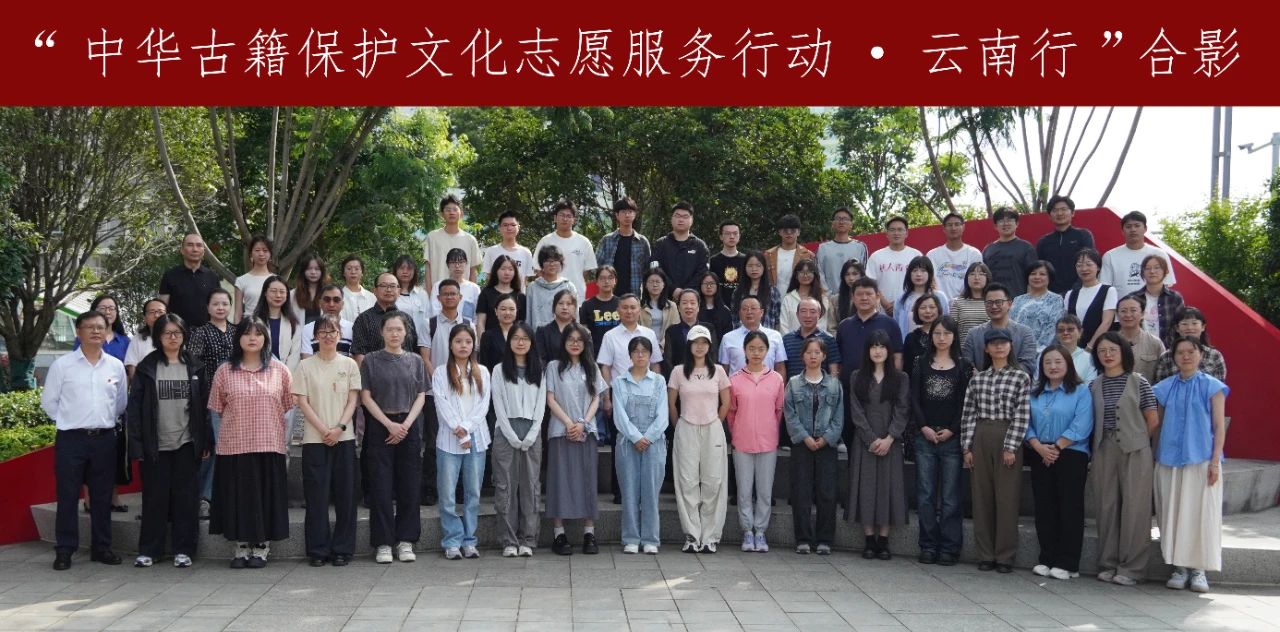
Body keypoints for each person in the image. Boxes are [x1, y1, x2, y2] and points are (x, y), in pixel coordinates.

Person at [42, 311, 128, 571]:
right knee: (68, 495)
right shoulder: (62, 365)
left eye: (100, 327)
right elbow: (49, 403)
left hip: (104, 439)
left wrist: (101, 421)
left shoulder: (115, 366)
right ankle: (65, 550)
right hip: (71, 439)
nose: (95, 331)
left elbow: (120, 403)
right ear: (78, 332)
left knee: (102, 497)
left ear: (107, 331)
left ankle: (102, 548)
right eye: (89, 327)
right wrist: (70, 421)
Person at [207, 318, 294, 569]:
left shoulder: (280, 370)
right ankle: (241, 546)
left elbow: (289, 407)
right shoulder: (225, 371)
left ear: (266, 338)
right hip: (235, 445)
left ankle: (262, 546)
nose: (252, 338)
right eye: (246, 333)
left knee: (265, 497)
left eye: (258, 333)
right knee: (238, 498)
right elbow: (217, 408)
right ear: (239, 339)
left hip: (269, 443)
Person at [126, 313, 209, 569]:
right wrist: (136, 444)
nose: (173, 338)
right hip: (155, 445)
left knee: (186, 499)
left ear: (184, 335)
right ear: (158, 337)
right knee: (154, 499)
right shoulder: (147, 367)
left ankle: (184, 550)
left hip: (187, 444)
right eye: (167, 333)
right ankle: (150, 550)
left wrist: (205, 441)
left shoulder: (195, 366)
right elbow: (135, 409)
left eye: (177, 333)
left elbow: (204, 408)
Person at [1153, 336, 1229, 593]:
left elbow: (1219, 427)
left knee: (1201, 514)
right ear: (1173, 357)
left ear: (1200, 354)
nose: (1185, 356)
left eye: (1191, 351)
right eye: (1180, 352)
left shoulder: (1213, 386)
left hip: (1202, 460)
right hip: (1169, 460)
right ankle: (1179, 567)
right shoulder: (1164, 388)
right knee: (1173, 513)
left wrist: (1215, 462)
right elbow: (1157, 425)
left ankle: (1199, 569)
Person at [1090, 332, 1159, 586]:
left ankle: (1132, 568)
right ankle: (1108, 563)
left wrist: (1138, 440)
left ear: (1123, 353)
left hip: (1136, 449)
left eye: (1112, 350)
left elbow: (1152, 419)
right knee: (1106, 506)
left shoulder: (1139, 382)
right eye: (1102, 351)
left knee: (1135, 508)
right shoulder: (1094, 385)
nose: (1107, 355)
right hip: (1103, 448)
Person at [960, 328, 1031, 573]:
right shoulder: (977, 380)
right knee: (981, 498)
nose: (999, 347)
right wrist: (967, 447)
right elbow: (969, 413)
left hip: (1007, 433)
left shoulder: (1021, 377)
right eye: (994, 344)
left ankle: (1005, 555)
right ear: (986, 349)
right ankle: (985, 554)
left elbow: (1022, 414)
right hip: (981, 433)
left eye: (1003, 343)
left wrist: (1011, 446)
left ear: (1011, 346)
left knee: (1007, 498)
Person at [292, 314, 361, 567]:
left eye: (332, 332)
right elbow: (302, 401)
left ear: (339, 335)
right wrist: (324, 430)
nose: (328, 336)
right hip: (314, 439)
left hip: (344, 438)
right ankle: (318, 550)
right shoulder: (305, 366)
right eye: (323, 332)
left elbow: (353, 400)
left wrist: (339, 428)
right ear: (315, 337)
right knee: (316, 497)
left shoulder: (349, 364)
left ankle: (343, 549)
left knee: (346, 496)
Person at [360, 312, 428, 563]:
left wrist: (405, 424)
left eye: (399, 329)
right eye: (390, 329)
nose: (394, 334)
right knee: (381, 486)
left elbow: (421, 395)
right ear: (382, 332)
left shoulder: (415, 360)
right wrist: (389, 424)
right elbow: (365, 396)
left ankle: (406, 541)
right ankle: (383, 543)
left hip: (408, 426)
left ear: (406, 332)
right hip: (380, 426)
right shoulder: (370, 360)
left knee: (409, 485)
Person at [1025, 344, 1093, 581]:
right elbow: (1026, 422)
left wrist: (1057, 447)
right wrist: (1038, 446)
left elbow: (1082, 423)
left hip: (1070, 453)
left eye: (1058, 362)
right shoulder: (1034, 393)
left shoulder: (1081, 391)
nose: (1052, 366)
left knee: (1069, 508)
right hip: (1040, 452)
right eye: (1047, 362)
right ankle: (1047, 558)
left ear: (1068, 365)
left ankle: (1068, 563)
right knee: (1045, 508)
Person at [910, 316, 972, 567]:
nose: (942, 338)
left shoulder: (963, 365)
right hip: (924, 436)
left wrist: (952, 430)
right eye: (937, 333)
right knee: (925, 494)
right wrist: (923, 426)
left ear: (954, 336)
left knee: (950, 496)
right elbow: (914, 399)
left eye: (947, 333)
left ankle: (949, 547)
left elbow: (965, 402)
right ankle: (927, 545)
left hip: (951, 438)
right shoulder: (920, 362)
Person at [847, 330, 910, 560]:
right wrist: (871, 439)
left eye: (882, 346)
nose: (877, 351)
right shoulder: (857, 377)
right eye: (873, 346)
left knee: (888, 487)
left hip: (891, 441)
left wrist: (890, 437)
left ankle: (883, 540)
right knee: (866, 486)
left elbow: (903, 410)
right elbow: (856, 410)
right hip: (865, 441)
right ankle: (869, 539)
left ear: (889, 350)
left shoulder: (900, 378)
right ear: (867, 351)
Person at [545, 324, 608, 556]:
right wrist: (569, 423)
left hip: (586, 431)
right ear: (563, 342)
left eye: (579, 340)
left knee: (587, 480)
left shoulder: (591, 367)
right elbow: (550, 399)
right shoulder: (553, 367)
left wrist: (582, 423)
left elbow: (596, 399)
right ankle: (559, 534)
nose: (575, 343)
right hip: (560, 430)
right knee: (559, 480)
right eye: (570, 339)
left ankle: (589, 532)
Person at [669, 325, 732, 554]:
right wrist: (680, 426)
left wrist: (715, 422)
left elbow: (726, 402)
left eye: (704, 342)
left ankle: (710, 536)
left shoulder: (719, 371)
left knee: (713, 481)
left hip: (712, 428)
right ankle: (692, 535)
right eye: (696, 342)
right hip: (686, 427)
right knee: (687, 482)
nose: (700, 346)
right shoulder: (678, 371)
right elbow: (672, 404)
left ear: (709, 345)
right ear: (689, 345)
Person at [432, 324, 492, 560]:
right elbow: (442, 404)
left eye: (468, 341)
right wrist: (461, 431)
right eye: (458, 341)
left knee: (473, 492)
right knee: (447, 494)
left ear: (474, 344)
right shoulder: (440, 373)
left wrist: (467, 429)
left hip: (476, 437)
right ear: (450, 345)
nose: (463, 346)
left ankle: (469, 540)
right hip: (450, 438)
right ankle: (452, 540)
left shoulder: (482, 371)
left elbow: (483, 405)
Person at [72, 294, 132, 513]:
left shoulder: (125, 341)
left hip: (117, 405)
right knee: (90, 456)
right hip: (90, 406)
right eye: (103, 307)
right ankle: (89, 499)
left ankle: (114, 497)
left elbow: (130, 372)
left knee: (115, 454)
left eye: (112, 308)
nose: (108, 311)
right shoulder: (82, 340)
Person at [727, 331, 785, 553]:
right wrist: (737, 432)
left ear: (767, 351)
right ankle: (747, 531)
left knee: (764, 490)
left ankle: (760, 531)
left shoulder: (776, 379)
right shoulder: (734, 379)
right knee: (744, 490)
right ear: (744, 350)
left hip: (768, 441)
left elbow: (778, 410)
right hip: (742, 442)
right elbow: (731, 412)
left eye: (761, 349)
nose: (756, 353)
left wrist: (770, 430)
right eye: (752, 348)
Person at [491, 322, 546, 558]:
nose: (520, 342)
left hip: (532, 429)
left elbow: (541, 404)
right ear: (509, 341)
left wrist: (532, 433)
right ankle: (508, 540)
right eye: (516, 338)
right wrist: (511, 435)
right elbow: (498, 405)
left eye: (525, 338)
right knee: (505, 485)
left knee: (530, 486)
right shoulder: (499, 370)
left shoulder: (539, 369)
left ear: (531, 342)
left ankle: (528, 539)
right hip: (506, 431)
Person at [784, 338, 844, 556]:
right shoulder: (793, 384)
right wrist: (804, 437)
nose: (813, 356)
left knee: (827, 492)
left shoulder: (834, 384)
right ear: (802, 356)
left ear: (824, 356)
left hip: (827, 444)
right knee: (801, 492)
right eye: (809, 352)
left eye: (817, 352)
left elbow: (838, 417)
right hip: (802, 444)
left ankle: (825, 539)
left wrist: (827, 438)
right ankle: (803, 539)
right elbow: (789, 414)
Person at [612, 337, 670, 554]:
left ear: (650, 355)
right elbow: (619, 415)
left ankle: (650, 539)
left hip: (654, 443)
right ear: (629, 355)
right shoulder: (620, 382)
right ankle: (631, 538)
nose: (640, 355)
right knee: (629, 491)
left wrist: (649, 437)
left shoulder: (659, 381)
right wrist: (636, 437)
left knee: (651, 492)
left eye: (644, 351)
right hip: (627, 443)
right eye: (635, 351)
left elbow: (663, 416)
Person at [421, 278, 474, 503]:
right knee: (433, 440)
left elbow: (472, 356)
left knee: (462, 436)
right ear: (438, 298)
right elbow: (425, 357)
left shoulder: (469, 323)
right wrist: (440, 382)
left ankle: (460, 488)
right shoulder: (429, 323)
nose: (450, 297)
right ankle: (430, 488)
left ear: (460, 297)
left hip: (463, 392)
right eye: (446, 294)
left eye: (454, 294)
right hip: (435, 392)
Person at [189, 288, 237, 518]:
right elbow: (193, 367)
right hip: (210, 399)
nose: (220, 307)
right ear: (208, 307)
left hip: (237, 400)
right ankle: (204, 497)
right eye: (216, 304)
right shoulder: (200, 333)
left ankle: (227, 496)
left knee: (232, 447)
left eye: (225, 303)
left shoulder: (237, 331)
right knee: (214, 446)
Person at [961, 284, 1038, 375]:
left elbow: (1028, 365)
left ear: (1009, 304)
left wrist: (999, 378)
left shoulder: (1025, 333)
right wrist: (982, 379)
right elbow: (967, 363)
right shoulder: (973, 334)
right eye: (989, 302)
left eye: (998, 302)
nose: (994, 306)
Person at [533, 200, 598, 301]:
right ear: (555, 218)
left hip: (576, 297)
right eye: (562, 215)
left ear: (574, 220)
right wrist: (549, 286)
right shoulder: (545, 241)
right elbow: (538, 269)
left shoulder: (584, 242)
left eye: (569, 216)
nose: (565, 219)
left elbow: (587, 271)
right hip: (550, 298)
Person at [1101, 211, 1176, 295]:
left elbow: (1166, 285)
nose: (1133, 230)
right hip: (1121, 303)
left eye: (1137, 226)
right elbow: (1105, 288)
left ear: (1145, 229)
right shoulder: (1110, 256)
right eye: (1128, 227)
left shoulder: (1160, 254)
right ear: (1122, 231)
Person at [158, 232, 222, 328]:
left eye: (199, 245)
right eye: (190, 245)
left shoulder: (212, 277)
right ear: (182, 250)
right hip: (177, 332)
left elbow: (218, 307)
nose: (195, 249)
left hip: (207, 332)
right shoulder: (170, 276)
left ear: (203, 251)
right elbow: (162, 308)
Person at [1036, 195, 1096, 294]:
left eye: (1063, 209)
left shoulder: (1083, 236)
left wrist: (1074, 290)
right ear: (1049, 216)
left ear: (1072, 213)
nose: (1059, 213)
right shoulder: (1043, 242)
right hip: (1051, 295)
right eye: (1055, 210)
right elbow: (1039, 270)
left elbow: (1090, 263)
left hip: (1080, 292)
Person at [594, 197, 652, 297]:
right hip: (610, 296)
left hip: (634, 295)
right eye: (623, 212)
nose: (627, 215)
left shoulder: (642, 242)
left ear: (635, 214)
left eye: (630, 212)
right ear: (617, 215)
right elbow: (596, 267)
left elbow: (648, 271)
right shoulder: (607, 240)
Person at [423, 194, 482, 290]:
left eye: (455, 209)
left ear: (461, 213)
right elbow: (427, 268)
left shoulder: (470, 239)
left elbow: (473, 270)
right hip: (437, 294)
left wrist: (471, 294)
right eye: (448, 210)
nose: (451, 213)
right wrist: (430, 294)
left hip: (463, 294)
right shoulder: (432, 237)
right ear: (442, 214)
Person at [649, 200, 710, 295]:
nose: (681, 220)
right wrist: (673, 289)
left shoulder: (700, 246)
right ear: (671, 219)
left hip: (692, 298)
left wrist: (686, 292)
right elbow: (655, 269)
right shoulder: (661, 244)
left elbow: (702, 273)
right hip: (664, 297)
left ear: (692, 220)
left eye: (685, 216)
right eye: (677, 216)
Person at [865, 216, 923, 313]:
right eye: (892, 230)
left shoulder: (916, 255)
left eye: (900, 230)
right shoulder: (876, 256)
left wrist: (902, 304)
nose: (896, 233)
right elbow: (870, 283)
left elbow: (922, 283)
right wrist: (886, 304)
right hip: (882, 311)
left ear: (906, 233)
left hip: (910, 310)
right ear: (887, 234)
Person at [1063, 249, 1117, 352]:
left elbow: (1106, 322)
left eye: (1089, 264)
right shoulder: (1070, 294)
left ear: (1098, 267)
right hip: (1073, 349)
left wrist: (1090, 346)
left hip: (1099, 347)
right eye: (1079, 265)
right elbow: (1066, 322)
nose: (1084, 269)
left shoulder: (1108, 291)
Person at [1154, 307, 1227, 382]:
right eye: (1184, 324)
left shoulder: (1214, 355)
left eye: (1194, 323)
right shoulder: (1166, 357)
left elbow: (1219, 386)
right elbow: (1160, 385)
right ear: (1177, 328)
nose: (1189, 328)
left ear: (1203, 327)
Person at [719, 296, 787, 376]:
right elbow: (724, 370)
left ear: (761, 312)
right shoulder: (728, 338)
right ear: (739, 313)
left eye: (753, 308)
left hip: (768, 383)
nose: (749, 312)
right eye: (745, 309)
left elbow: (780, 368)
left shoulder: (775, 336)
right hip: (737, 383)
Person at [928, 212, 985, 301]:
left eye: (957, 224)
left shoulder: (974, 254)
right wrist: (941, 301)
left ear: (963, 227)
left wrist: (958, 302)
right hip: (939, 304)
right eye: (949, 225)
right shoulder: (932, 255)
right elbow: (930, 281)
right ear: (944, 229)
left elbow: (977, 281)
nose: (953, 228)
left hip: (966, 304)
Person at [1010, 261, 1065, 352]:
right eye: (1033, 274)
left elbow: (1052, 331)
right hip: (1015, 351)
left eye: (1042, 274)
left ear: (1049, 277)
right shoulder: (1018, 300)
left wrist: (1034, 352)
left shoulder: (1056, 300)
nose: (1037, 277)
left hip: (1043, 353)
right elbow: (1010, 325)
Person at [983, 207, 1038, 297]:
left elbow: (1033, 279)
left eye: (1009, 220)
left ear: (1017, 224)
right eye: (1001, 221)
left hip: (1019, 301)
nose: (1005, 224)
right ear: (995, 226)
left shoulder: (1026, 248)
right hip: (993, 301)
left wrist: (1029, 301)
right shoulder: (988, 250)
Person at [816, 207, 869, 301]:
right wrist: (829, 296)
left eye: (845, 219)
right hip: (829, 300)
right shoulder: (823, 248)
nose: (841, 222)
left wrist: (855, 294)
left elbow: (864, 273)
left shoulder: (860, 247)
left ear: (851, 224)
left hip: (855, 298)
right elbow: (819, 274)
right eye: (838, 218)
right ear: (832, 224)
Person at [782, 296, 842, 379]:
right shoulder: (787, 340)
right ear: (797, 314)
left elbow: (834, 371)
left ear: (819, 314)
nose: (808, 315)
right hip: (793, 386)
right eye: (803, 311)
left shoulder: (828, 339)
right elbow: (782, 369)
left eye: (812, 312)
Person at [253, 275, 303, 372]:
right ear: (265, 293)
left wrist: (285, 375)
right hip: (258, 373)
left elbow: (294, 355)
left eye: (282, 291)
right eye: (273, 291)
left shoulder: (293, 323)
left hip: (284, 374)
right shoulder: (254, 322)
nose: (278, 295)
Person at [893, 256, 949, 341]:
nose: (918, 274)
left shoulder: (940, 297)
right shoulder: (901, 299)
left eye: (923, 271)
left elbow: (946, 323)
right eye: (915, 270)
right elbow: (896, 326)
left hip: (936, 344)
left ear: (930, 273)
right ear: (909, 274)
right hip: (909, 345)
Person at [1133, 254, 1184, 343]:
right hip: (1140, 347)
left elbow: (1180, 325)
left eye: (1157, 268)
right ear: (1142, 272)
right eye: (1147, 268)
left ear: (1166, 271)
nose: (1152, 271)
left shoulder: (1175, 298)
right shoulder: (1133, 298)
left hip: (1168, 348)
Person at [1115, 294, 1166, 384]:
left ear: (1142, 314)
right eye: (1123, 311)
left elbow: (1163, 376)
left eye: (1133, 310)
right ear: (1117, 315)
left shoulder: (1155, 343)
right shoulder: (1109, 342)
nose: (1128, 315)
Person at [664, 290, 716, 375]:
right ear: (678, 307)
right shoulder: (671, 331)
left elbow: (713, 356)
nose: (689, 306)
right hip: (679, 378)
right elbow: (668, 360)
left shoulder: (709, 328)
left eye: (692, 303)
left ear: (698, 307)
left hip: (705, 377)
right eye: (684, 303)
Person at [476, 254, 527, 339]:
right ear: (496, 270)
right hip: (491, 342)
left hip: (514, 342)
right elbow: (481, 322)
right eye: (503, 269)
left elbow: (523, 324)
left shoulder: (520, 296)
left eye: (510, 269)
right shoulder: (486, 293)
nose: (507, 273)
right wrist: (483, 343)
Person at [527, 245, 577, 331]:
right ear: (541, 264)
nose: (552, 264)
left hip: (564, 335)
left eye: (555, 260)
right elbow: (528, 316)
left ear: (560, 263)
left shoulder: (568, 286)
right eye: (547, 260)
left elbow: (575, 315)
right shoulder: (533, 287)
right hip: (538, 335)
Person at [780, 259, 836, 335]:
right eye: (801, 272)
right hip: (792, 341)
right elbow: (783, 325)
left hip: (817, 341)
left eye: (809, 272)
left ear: (814, 275)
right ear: (796, 275)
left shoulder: (823, 299)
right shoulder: (788, 298)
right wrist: (791, 339)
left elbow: (823, 324)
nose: (805, 275)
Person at [731, 251, 782, 330]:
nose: (754, 269)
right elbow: (734, 318)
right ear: (745, 268)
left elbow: (777, 320)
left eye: (758, 265)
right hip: (742, 335)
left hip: (766, 335)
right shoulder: (738, 291)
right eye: (750, 266)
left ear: (764, 267)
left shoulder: (773, 291)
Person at [300, 285, 355, 359]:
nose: (331, 304)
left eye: (336, 300)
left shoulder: (352, 328)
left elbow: (353, 360)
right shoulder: (308, 329)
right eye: (327, 300)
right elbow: (307, 359)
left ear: (342, 304)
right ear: (320, 303)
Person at [73, 294, 131, 362]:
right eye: (102, 308)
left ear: (116, 312)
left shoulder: (125, 341)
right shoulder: (83, 338)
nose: (107, 312)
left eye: (111, 308)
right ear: (93, 311)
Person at [764, 213, 815, 290]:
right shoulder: (768, 255)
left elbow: (815, 281)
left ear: (798, 232)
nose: (789, 233)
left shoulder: (808, 255)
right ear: (779, 232)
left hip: (799, 296)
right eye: (785, 230)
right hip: (773, 296)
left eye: (793, 230)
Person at [482, 210, 536, 282]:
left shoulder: (526, 252)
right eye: (505, 225)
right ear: (499, 228)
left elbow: (525, 280)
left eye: (513, 225)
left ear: (518, 227)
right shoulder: (491, 251)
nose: (509, 228)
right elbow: (489, 278)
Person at [430, 248, 481, 323]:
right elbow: (434, 311)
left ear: (466, 264)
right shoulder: (438, 286)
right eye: (453, 262)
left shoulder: (474, 288)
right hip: (443, 327)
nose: (457, 266)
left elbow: (477, 315)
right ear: (447, 265)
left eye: (461, 262)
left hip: (467, 328)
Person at [124, 298, 169, 381]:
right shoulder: (137, 339)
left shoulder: (175, 337)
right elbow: (132, 366)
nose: (156, 315)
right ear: (145, 318)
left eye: (160, 312)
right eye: (152, 312)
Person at [580, 264, 621, 354]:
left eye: (610, 278)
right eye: (602, 278)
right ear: (597, 282)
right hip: (595, 352)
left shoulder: (622, 304)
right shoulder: (587, 305)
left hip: (618, 351)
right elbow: (583, 332)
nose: (606, 281)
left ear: (615, 281)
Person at [950, 262, 992, 347]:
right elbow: (951, 330)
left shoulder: (993, 302)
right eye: (972, 274)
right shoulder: (958, 302)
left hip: (989, 350)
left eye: (981, 274)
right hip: (964, 350)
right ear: (966, 278)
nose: (976, 277)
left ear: (987, 278)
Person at [900, 294, 942, 379]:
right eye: (923, 308)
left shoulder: (946, 335)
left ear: (938, 310)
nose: (928, 311)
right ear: (917, 311)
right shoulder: (911, 338)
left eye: (932, 307)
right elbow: (907, 369)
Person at [234, 235, 275, 319]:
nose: (261, 254)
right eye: (257, 250)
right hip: (249, 324)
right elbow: (238, 313)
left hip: (271, 323)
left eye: (265, 250)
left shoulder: (276, 280)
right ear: (250, 254)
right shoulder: (241, 280)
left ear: (270, 254)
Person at [392, 255, 433, 340]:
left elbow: (428, 319)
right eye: (402, 268)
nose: (405, 272)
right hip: (395, 339)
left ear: (414, 271)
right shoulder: (390, 293)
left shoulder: (422, 294)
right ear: (396, 270)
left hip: (418, 341)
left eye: (409, 269)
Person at [709, 220, 748, 305]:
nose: (732, 237)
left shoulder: (746, 260)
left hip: (743, 307)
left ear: (739, 236)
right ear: (721, 236)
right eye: (727, 233)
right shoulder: (713, 261)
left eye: (735, 233)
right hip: (719, 307)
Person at [536, 289, 578, 365]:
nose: (564, 307)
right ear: (554, 306)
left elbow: (588, 360)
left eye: (569, 304)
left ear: (574, 308)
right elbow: (540, 360)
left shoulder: (583, 332)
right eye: (561, 303)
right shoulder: (543, 331)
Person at [639, 268, 679, 345]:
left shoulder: (672, 306)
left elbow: (675, 329)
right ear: (646, 285)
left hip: (666, 347)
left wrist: (662, 345)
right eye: (651, 282)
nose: (655, 285)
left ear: (663, 284)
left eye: (658, 282)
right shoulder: (639, 306)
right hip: (644, 347)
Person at [1055, 314, 1099, 383]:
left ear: (1080, 332)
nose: (1065, 333)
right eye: (1061, 330)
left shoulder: (1088, 359)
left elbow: (1091, 385)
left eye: (1070, 329)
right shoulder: (1046, 356)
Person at [479, 294, 518, 371]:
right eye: (503, 309)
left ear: (516, 311)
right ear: (496, 311)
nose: (507, 312)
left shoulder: (524, 334)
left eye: (512, 309)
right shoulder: (487, 336)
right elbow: (485, 365)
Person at [291, 254, 330, 324]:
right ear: (303, 271)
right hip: (300, 330)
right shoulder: (293, 294)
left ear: (322, 271)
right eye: (309, 269)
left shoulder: (329, 293)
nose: (313, 272)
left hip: (324, 330)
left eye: (317, 269)